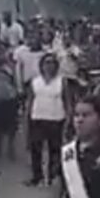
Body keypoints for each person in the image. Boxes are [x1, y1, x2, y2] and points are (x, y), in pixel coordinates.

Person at [25, 52, 69, 187]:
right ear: (41, 66)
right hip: (37, 118)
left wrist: (69, 119)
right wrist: (27, 118)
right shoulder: (35, 81)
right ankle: (37, 177)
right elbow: (30, 101)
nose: (49, 66)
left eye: (52, 63)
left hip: (56, 119)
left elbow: (67, 101)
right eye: (46, 63)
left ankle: (52, 176)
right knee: (36, 149)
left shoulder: (62, 81)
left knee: (54, 149)